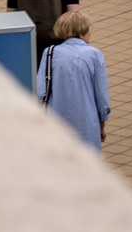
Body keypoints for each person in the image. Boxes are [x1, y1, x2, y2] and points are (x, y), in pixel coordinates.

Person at [35, 8, 109, 149]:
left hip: (56, 123)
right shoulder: (95, 55)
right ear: (83, 31)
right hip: (88, 125)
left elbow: (40, 92)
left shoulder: (50, 53)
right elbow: (102, 98)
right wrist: (101, 124)